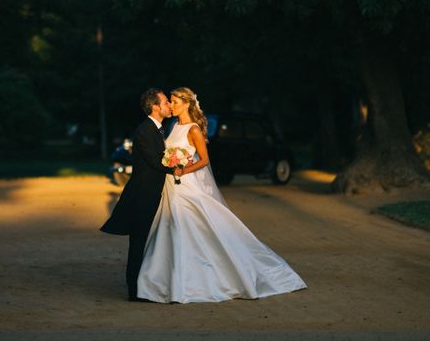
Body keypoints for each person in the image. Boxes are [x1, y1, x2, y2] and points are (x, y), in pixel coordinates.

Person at [137, 87, 307, 303]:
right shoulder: (173, 126)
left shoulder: (193, 129)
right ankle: (165, 281)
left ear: (187, 103)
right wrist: (171, 162)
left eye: (175, 101)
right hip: (170, 186)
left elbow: (204, 160)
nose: (171, 104)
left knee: (185, 226)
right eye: (170, 101)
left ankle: (189, 283)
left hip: (185, 183)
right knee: (169, 228)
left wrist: (181, 168)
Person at [100, 88, 177, 301]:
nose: (169, 105)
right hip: (142, 196)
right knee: (139, 242)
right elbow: (155, 161)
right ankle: (134, 291)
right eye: (165, 102)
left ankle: (147, 286)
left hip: (153, 194)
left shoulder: (159, 129)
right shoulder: (144, 131)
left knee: (150, 242)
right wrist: (177, 166)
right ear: (155, 107)